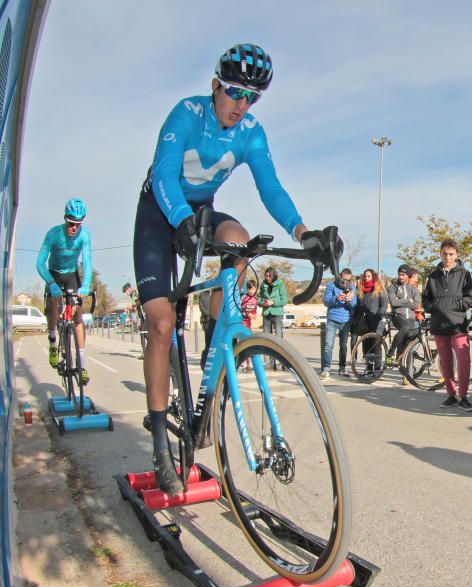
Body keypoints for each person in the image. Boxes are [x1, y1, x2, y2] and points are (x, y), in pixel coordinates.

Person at [133, 44, 328, 495]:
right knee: (161, 323)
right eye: (236, 92)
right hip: (161, 214)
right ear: (216, 85)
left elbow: (270, 185)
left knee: (242, 240)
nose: (242, 105)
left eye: (253, 97)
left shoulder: (251, 132)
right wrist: (180, 220)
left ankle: (221, 334)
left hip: (201, 213)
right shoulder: (187, 114)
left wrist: (302, 232)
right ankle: (162, 438)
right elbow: (164, 172)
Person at [37, 198, 93, 382]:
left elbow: (88, 262)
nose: (74, 228)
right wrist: (51, 283)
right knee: (53, 307)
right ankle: (53, 340)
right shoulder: (53, 234)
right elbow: (39, 263)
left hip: (71, 275)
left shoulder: (84, 236)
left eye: (78, 224)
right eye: (71, 223)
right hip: (53, 274)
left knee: (78, 317)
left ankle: (82, 365)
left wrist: (85, 285)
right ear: (65, 219)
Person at [422, 239, 472, 409]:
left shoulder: (464, 273)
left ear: (456, 255)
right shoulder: (433, 275)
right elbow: (426, 298)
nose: (448, 257)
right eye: (445, 253)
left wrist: (460, 305)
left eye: (451, 254)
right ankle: (451, 394)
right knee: (445, 361)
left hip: (458, 324)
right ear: (440, 254)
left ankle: (463, 396)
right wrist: (433, 307)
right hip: (439, 324)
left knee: (463, 360)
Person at [351, 268, 389, 375]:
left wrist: (378, 316)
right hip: (366, 322)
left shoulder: (379, 289)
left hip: (377, 321)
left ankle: (377, 368)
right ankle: (369, 367)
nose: (367, 278)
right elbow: (359, 307)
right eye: (365, 276)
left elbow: (384, 304)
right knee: (366, 344)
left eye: (369, 276)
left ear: (373, 277)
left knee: (376, 344)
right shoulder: (361, 290)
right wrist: (356, 320)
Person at [321, 269, 356, 378]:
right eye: (344, 279)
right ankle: (326, 368)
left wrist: (349, 300)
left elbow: (354, 305)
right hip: (332, 319)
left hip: (346, 320)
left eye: (348, 280)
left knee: (343, 346)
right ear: (340, 276)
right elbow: (326, 301)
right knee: (328, 345)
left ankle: (342, 368)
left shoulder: (352, 287)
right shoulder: (331, 285)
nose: (345, 282)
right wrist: (336, 298)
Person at [387, 265, 420, 364]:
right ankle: (391, 351)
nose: (400, 277)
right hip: (398, 316)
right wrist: (407, 300)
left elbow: (416, 304)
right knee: (405, 327)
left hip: (410, 318)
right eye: (399, 275)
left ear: (408, 276)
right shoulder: (393, 287)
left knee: (408, 343)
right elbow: (393, 303)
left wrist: (400, 302)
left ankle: (405, 370)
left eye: (403, 275)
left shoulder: (413, 289)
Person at [260, 267, 289, 340]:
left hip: (277, 314)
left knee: (278, 335)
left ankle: (279, 351)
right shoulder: (263, 286)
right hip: (266, 313)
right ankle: (267, 351)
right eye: (266, 276)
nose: (268, 278)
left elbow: (284, 300)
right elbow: (258, 299)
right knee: (266, 337)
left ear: (274, 275)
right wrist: (262, 303)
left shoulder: (280, 285)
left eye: (270, 276)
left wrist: (273, 302)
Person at [239, 280, 259, 371]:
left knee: (248, 343)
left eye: (253, 289)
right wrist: (247, 315)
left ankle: (248, 363)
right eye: (250, 289)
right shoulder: (243, 297)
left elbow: (254, 310)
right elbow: (238, 310)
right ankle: (241, 362)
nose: (251, 291)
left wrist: (254, 314)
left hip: (248, 324)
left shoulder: (255, 299)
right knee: (242, 342)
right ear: (247, 289)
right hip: (241, 323)